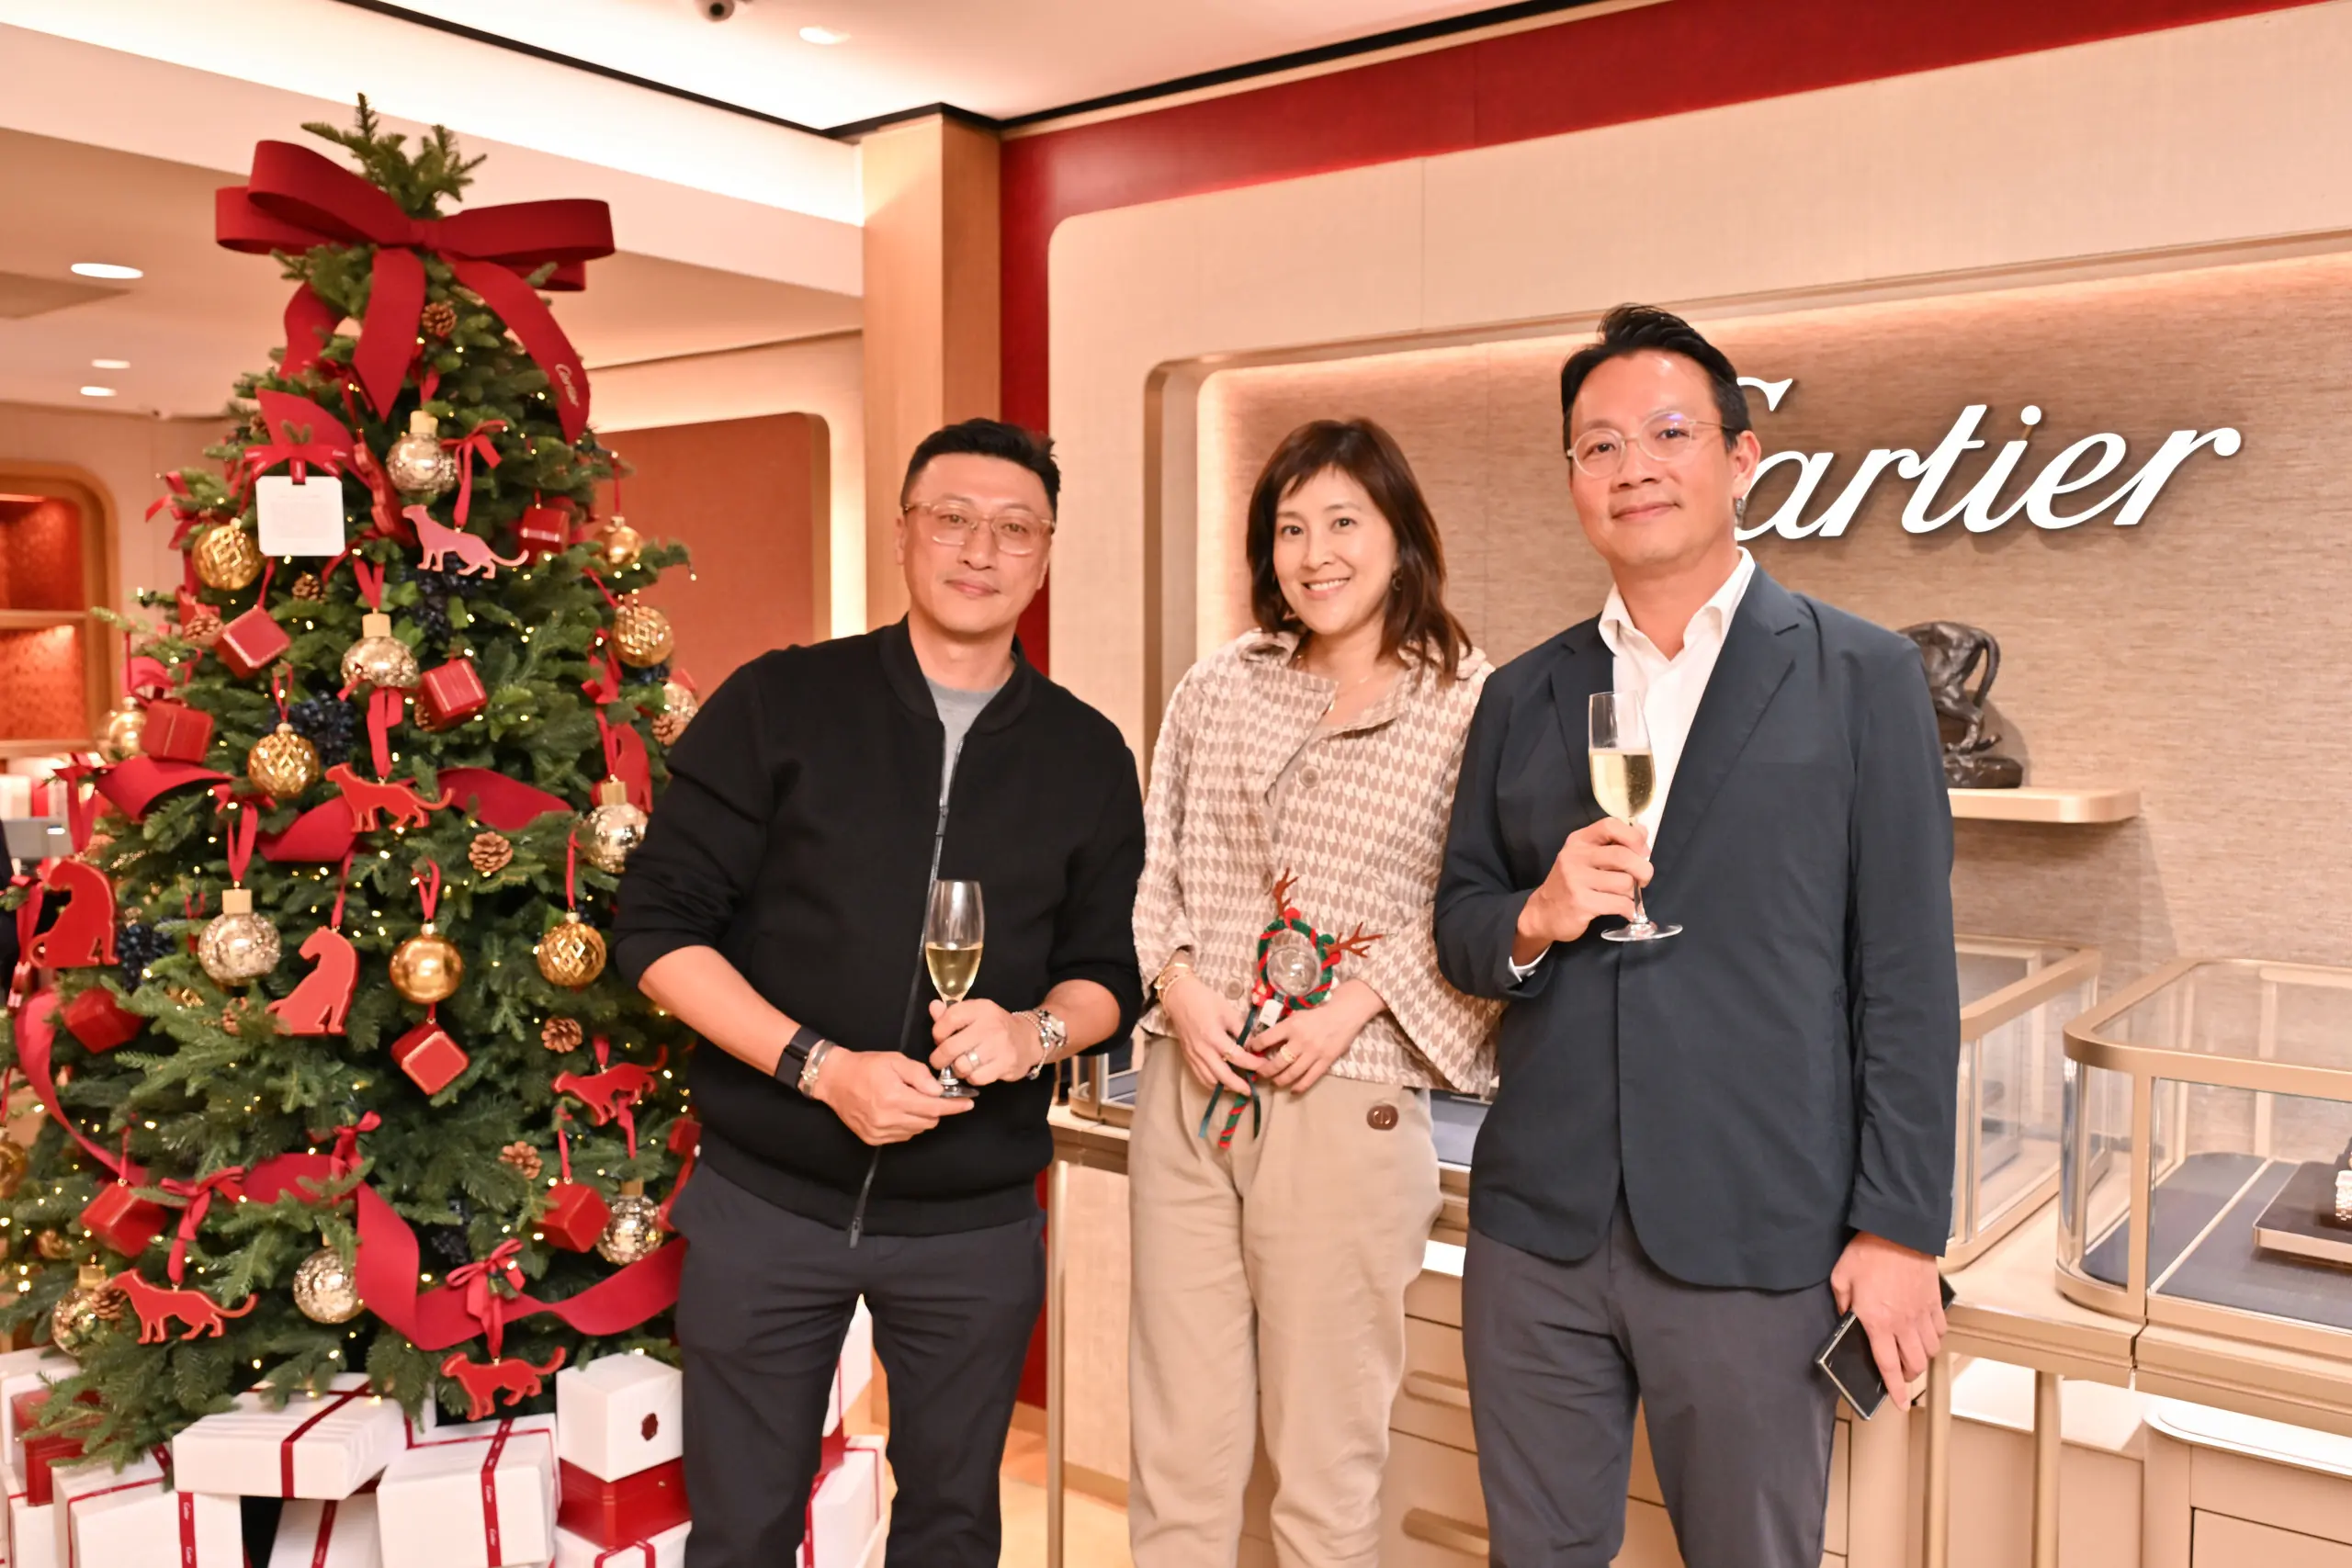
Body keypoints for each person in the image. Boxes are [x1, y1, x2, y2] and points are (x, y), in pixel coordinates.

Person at [1434, 306, 1960, 1568]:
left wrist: (1899, 1230)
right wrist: (1537, 915)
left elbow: (1905, 972)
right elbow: (1460, 924)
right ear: (1574, 477)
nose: (1634, 467)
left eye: (1669, 433)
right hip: (1537, 1229)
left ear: (1740, 456)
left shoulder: (1861, 675)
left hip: (1757, 1233)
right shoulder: (1522, 692)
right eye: (1599, 445)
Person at [614, 418, 1147, 1568]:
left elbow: (1112, 976)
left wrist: (1036, 1032)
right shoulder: (779, 704)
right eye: (951, 518)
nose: (979, 550)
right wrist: (820, 1069)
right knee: (740, 1532)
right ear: (903, 532)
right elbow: (654, 931)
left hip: (974, 1226)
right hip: (764, 1206)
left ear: (1044, 556)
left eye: (1014, 529)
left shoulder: (1087, 756)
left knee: (952, 1531)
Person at [1129, 418, 1500, 1568]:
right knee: (1178, 1456)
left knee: (1324, 1468)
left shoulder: (1470, 701)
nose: (1313, 553)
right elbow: (1155, 861)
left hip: (1348, 1100)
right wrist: (1178, 984)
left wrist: (1357, 1004)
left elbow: (1484, 905)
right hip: (1189, 1083)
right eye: (1289, 528)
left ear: (1399, 536)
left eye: (1343, 521)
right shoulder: (1219, 684)